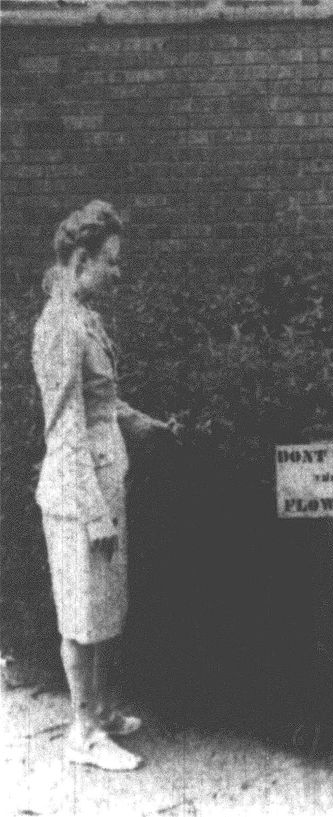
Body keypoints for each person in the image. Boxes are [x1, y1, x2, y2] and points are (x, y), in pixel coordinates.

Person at [32, 200, 180, 771]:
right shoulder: (59, 326)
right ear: (81, 260)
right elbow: (65, 425)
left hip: (103, 481)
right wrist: (93, 513)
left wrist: (153, 428)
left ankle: (99, 710)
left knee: (101, 613)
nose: (117, 272)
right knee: (80, 616)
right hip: (77, 494)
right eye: (111, 262)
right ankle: (83, 734)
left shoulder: (84, 316)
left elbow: (103, 403)